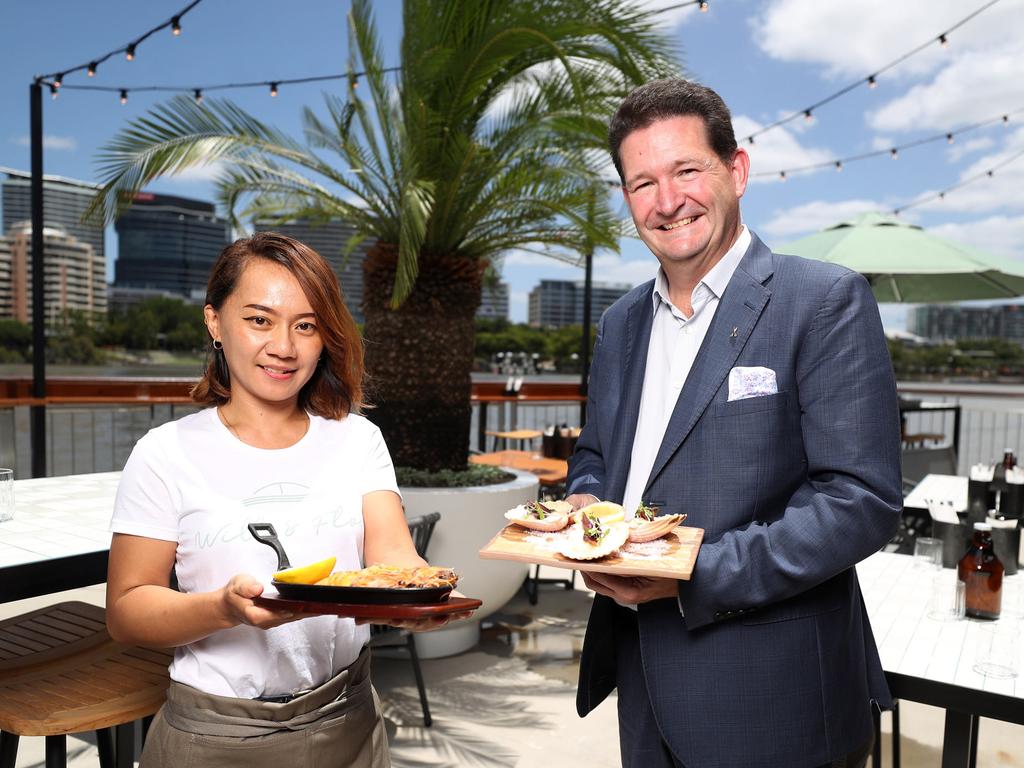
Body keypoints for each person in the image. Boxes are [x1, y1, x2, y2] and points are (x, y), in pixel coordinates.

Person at [565, 79, 902, 767]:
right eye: (642, 183)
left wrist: (691, 571)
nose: (667, 201)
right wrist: (582, 506)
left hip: (775, 700)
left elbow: (861, 502)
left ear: (737, 170)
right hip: (642, 681)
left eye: (687, 170)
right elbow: (598, 456)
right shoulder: (620, 322)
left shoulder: (824, 301)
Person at [107, 233, 459, 768]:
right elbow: (127, 611)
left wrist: (419, 595)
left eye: (306, 325)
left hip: (349, 720)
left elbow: (394, 555)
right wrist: (223, 608)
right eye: (259, 320)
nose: (284, 347)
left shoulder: (357, 439)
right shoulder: (164, 453)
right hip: (216, 736)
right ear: (215, 323)